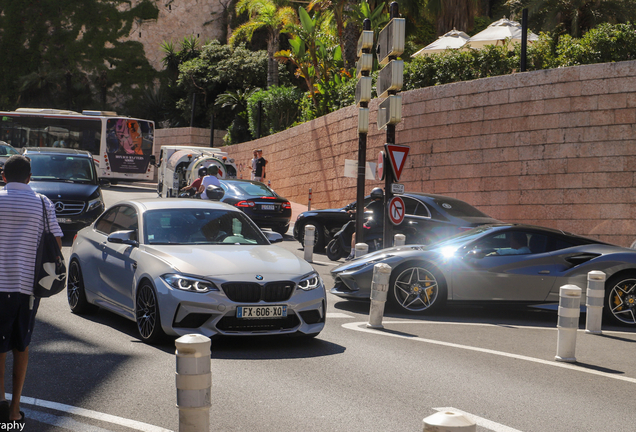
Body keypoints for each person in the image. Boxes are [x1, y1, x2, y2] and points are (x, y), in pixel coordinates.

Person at [0, 155, 63, 425]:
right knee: (21, 347)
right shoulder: (42, 202)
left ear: (3, 176)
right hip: (28, 288)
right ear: (29, 177)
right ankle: (14, 412)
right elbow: (57, 244)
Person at [345, 187, 385, 260]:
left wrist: (352, 211)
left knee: (355, 234)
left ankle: (352, 254)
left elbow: (362, 210)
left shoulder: (374, 203)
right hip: (382, 225)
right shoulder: (384, 204)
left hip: (372, 224)